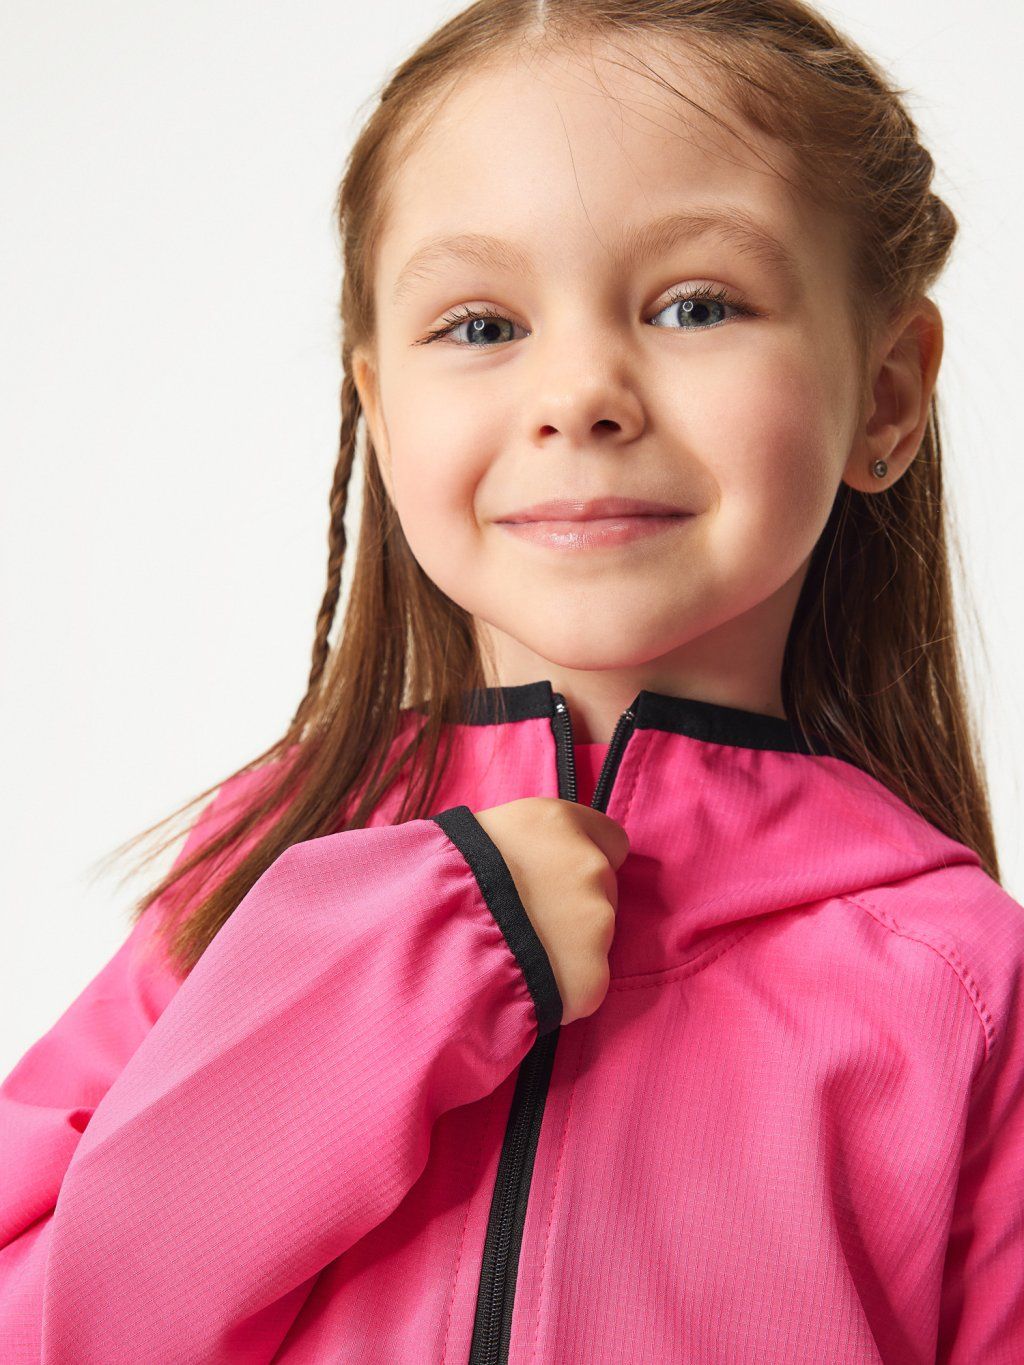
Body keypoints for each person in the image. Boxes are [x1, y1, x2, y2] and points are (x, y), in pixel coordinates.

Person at [2, 1, 1020, 1360]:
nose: (580, 393)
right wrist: (373, 984)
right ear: (382, 411)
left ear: (886, 393)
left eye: (697, 305)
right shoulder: (260, 872)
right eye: (481, 325)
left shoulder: (967, 988)